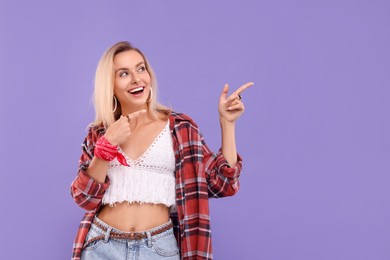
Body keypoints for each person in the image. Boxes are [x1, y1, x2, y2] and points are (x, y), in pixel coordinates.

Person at [70, 41, 253, 260]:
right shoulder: (100, 132)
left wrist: (227, 123)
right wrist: (107, 146)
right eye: (124, 73)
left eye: (141, 68)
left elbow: (223, 184)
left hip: (158, 249)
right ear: (110, 85)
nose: (137, 79)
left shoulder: (181, 128)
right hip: (102, 246)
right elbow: (84, 198)